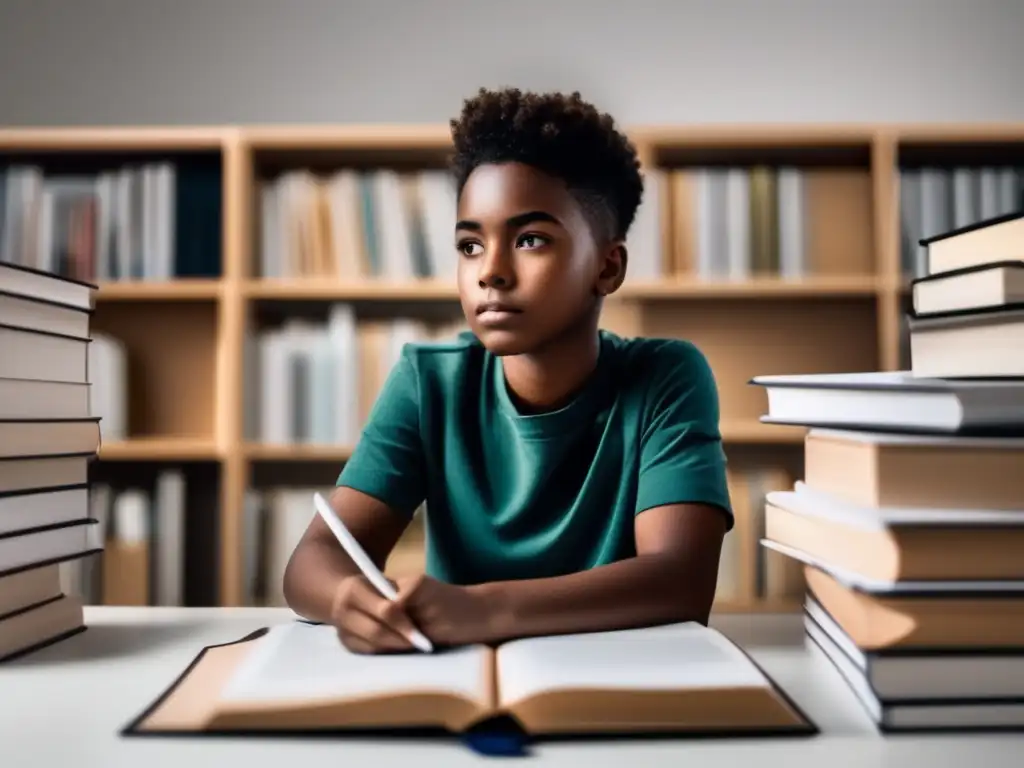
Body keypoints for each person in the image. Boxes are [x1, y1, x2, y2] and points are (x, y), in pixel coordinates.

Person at [282, 87, 733, 654]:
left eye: (530, 239)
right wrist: (348, 598)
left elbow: (681, 581)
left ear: (607, 266)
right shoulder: (428, 382)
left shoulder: (666, 377)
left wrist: (483, 608)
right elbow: (310, 563)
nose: (490, 272)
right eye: (470, 246)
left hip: (618, 678)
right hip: (457, 678)